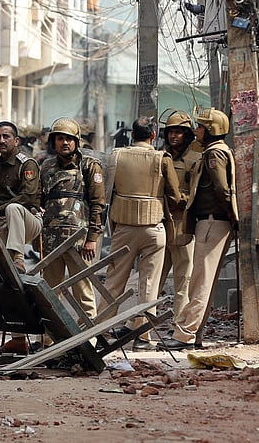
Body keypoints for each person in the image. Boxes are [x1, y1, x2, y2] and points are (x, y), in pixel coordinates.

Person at [101, 117, 184, 351]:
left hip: (124, 229)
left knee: (114, 283)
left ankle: (100, 332)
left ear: (131, 135)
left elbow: (107, 193)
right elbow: (175, 197)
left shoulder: (116, 156)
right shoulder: (162, 158)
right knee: (149, 285)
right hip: (153, 229)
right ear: (153, 135)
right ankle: (143, 338)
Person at [162, 108, 238, 350]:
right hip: (212, 221)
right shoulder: (211, 152)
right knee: (204, 281)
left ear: (211, 130)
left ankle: (184, 334)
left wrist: (229, 213)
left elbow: (222, 189)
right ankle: (193, 334)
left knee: (200, 281)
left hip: (212, 221)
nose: (197, 131)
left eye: (201, 127)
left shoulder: (215, 154)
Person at [39, 117, 105, 326]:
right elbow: (39, 202)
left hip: (80, 241)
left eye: (69, 138)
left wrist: (92, 238)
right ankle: (51, 340)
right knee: (49, 292)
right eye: (60, 138)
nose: (64, 143)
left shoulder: (89, 166)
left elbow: (98, 204)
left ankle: (88, 338)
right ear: (54, 141)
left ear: (76, 141)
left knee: (83, 290)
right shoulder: (46, 167)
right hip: (51, 241)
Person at [157, 110, 202, 322]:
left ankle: (180, 323)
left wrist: (180, 199)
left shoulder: (196, 159)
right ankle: (141, 324)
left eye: (179, 132)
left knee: (184, 278)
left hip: (183, 223)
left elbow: (196, 193)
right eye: (171, 132)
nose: (174, 136)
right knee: (154, 278)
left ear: (188, 135)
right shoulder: (159, 157)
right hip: (160, 222)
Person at [0, 121, 42, 272]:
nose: (1, 140)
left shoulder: (27, 164)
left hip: (29, 221)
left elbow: (27, 197)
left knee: (13, 208)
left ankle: (19, 259)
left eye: (6, 136)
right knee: (0, 271)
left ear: (16, 141)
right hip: (3, 224)